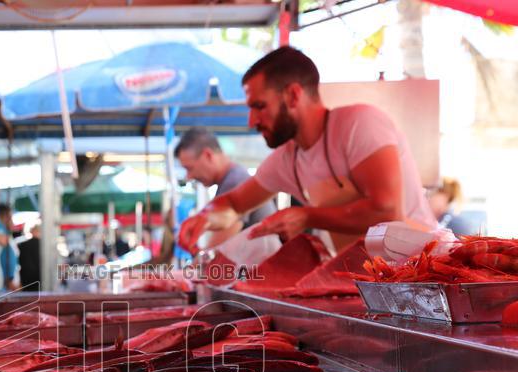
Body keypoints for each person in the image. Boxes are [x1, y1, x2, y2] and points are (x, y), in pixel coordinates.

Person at [178, 46, 436, 256]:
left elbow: (386, 210)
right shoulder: (287, 159)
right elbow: (234, 204)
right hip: (366, 279)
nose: (251, 121)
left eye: (259, 106)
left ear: (292, 96)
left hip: (424, 269)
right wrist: (204, 217)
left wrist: (305, 216)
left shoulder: (359, 124)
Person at [174, 126, 276, 233]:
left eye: (189, 168)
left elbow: (216, 246)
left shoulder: (234, 181)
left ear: (208, 155)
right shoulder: (232, 178)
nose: (188, 177)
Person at [0, 203, 19, 291]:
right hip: (3, 285)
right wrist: (10, 280)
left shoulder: (5, 233)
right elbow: (7, 254)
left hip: (6, 284)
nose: (12, 222)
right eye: (10, 217)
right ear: (3, 217)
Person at [17, 223, 42, 291]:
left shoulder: (23, 245)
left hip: (26, 283)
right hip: (40, 282)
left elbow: (20, 262)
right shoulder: (43, 247)